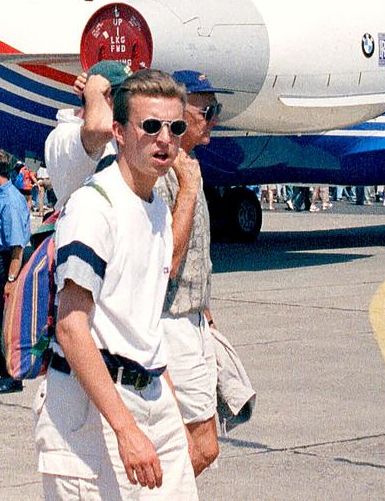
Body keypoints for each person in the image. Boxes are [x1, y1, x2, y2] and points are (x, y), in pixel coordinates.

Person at [35, 69, 196, 500]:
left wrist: (171, 410)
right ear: (120, 133)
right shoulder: (95, 206)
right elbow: (71, 327)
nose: (165, 138)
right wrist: (125, 429)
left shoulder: (156, 208)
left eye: (174, 127)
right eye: (150, 126)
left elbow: (144, 321)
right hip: (92, 412)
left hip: (154, 397)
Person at [154, 71, 225, 477]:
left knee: (183, 442)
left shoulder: (188, 169)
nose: (214, 119)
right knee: (200, 446)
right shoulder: (170, 177)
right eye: (208, 110)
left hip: (193, 320)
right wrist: (188, 190)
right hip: (171, 323)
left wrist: (207, 313)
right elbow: (169, 262)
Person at [0, 149, 32, 393]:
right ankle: (3, 372)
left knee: (0, 324)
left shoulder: (9, 200)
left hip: (1, 264)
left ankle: (12, 376)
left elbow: (17, 246)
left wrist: (11, 279)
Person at [43, 59, 131, 197]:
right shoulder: (64, 135)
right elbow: (99, 130)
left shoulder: (111, 131)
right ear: (107, 96)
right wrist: (94, 92)